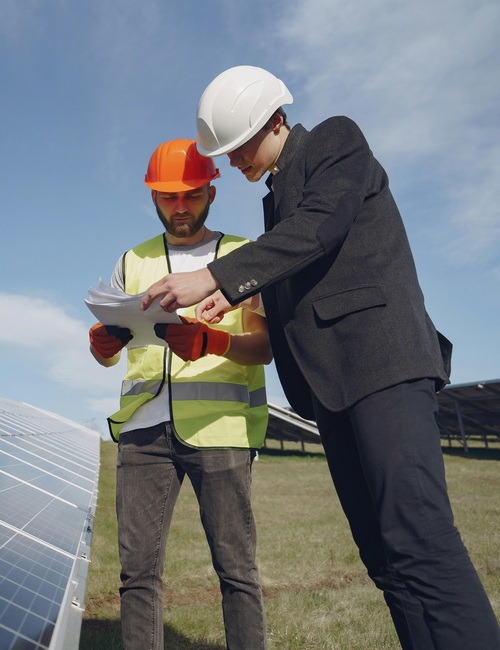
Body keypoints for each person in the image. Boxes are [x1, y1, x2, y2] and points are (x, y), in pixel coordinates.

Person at [141, 67, 500, 649]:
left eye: (238, 147)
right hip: (331, 387)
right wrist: (231, 301)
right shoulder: (276, 201)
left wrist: (214, 274)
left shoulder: (337, 140)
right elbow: (298, 271)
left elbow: (318, 230)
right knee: (385, 561)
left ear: (276, 121)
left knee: (420, 540)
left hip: (382, 366)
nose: (232, 163)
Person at [88, 138, 271, 650]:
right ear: (153, 197)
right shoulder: (133, 259)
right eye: (168, 197)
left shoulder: (243, 256)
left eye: (191, 194)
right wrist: (102, 346)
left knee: (237, 571)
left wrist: (215, 340)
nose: (181, 206)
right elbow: (112, 356)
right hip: (143, 431)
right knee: (137, 575)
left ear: (211, 191)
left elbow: (265, 348)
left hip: (222, 430)